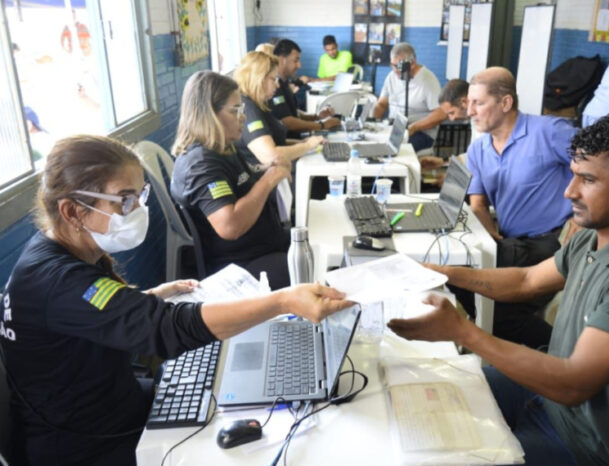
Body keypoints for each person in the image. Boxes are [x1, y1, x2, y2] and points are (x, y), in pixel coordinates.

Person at [0, 134, 352, 465]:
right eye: (125, 199)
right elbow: (165, 331)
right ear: (73, 212)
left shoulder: (54, 255)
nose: (137, 208)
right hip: (87, 443)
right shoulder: (58, 278)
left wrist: (151, 297)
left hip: (107, 405)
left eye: (140, 196)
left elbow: (89, 315)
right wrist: (281, 302)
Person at [389, 111, 609, 466]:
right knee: (417, 397)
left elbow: (573, 385)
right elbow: (526, 280)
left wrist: (464, 332)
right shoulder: (595, 238)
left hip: (582, 444)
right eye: (572, 176)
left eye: (587, 180)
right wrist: (440, 273)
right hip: (542, 396)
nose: (570, 191)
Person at [462, 67, 577, 349]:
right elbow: (478, 203)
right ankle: (548, 346)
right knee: (484, 294)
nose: (469, 111)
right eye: (468, 103)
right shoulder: (478, 150)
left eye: (478, 103)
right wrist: (490, 237)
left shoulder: (549, 131)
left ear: (505, 103)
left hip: (553, 240)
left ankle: (559, 354)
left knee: (464, 275)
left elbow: (599, 166)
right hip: (512, 241)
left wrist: (581, 218)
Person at [170, 70, 298, 289]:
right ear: (210, 113)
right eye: (236, 110)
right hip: (239, 266)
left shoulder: (222, 147)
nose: (243, 116)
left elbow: (241, 181)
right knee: (312, 268)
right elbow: (229, 226)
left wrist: (266, 168)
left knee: (316, 241)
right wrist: (267, 181)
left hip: (261, 247)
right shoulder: (201, 164)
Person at [233, 51, 324, 168]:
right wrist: (307, 146)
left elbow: (275, 141)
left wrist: (304, 143)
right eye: (273, 79)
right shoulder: (248, 109)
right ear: (259, 78)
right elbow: (269, 156)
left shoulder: (258, 104)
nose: (277, 85)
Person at [372, 42, 447, 152]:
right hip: (394, 126)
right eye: (393, 65)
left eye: (399, 66)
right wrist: (373, 122)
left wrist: (414, 127)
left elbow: (441, 113)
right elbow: (382, 104)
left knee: (395, 149)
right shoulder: (392, 77)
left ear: (412, 63)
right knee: (374, 142)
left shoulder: (428, 80)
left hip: (421, 132)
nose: (395, 70)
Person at [270, 39, 340, 137]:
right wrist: (321, 125)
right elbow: (287, 121)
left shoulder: (284, 82)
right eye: (296, 60)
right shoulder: (273, 85)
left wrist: (317, 117)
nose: (299, 65)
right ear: (282, 60)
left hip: (298, 138)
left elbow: (293, 113)